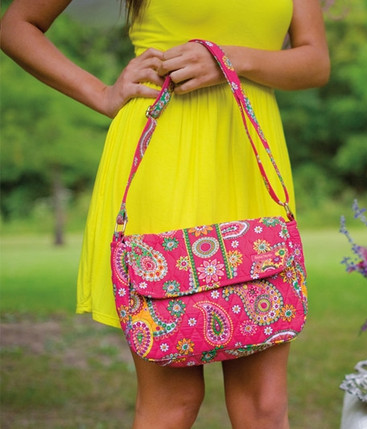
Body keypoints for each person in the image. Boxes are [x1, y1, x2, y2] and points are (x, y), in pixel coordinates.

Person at [1, 0, 330, 427]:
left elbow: (314, 61)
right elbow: (17, 25)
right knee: (173, 400)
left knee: (263, 404)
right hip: (163, 158)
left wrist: (230, 59)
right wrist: (101, 93)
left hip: (249, 162)